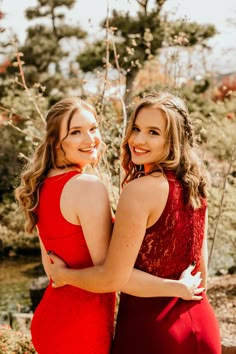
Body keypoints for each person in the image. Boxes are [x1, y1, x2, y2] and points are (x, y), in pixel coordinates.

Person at [15, 96, 204, 354]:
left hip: (52, 317)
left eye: (93, 128)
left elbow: (51, 265)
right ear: (56, 142)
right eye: (76, 132)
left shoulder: (41, 186)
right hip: (82, 324)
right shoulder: (87, 186)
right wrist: (176, 288)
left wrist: (62, 275)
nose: (90, 138)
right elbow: (110, 276)